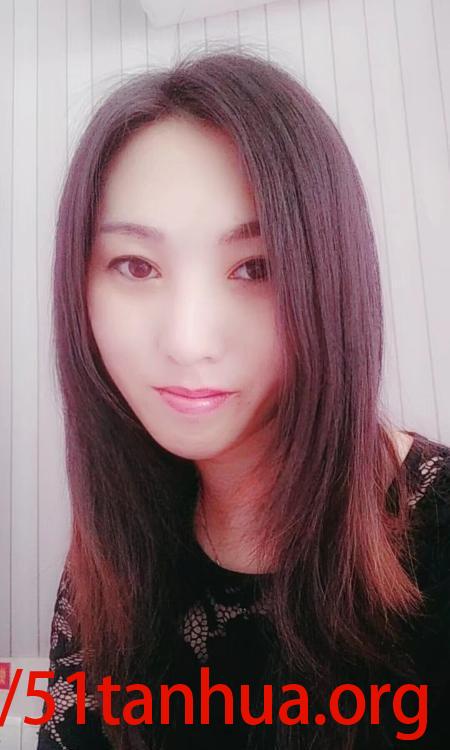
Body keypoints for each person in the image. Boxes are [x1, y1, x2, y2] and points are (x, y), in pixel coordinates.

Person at [36, 49, 450, 750]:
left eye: (255, 267)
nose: (188, 341)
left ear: (331, 280)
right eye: (136, 266)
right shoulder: (111, 551)